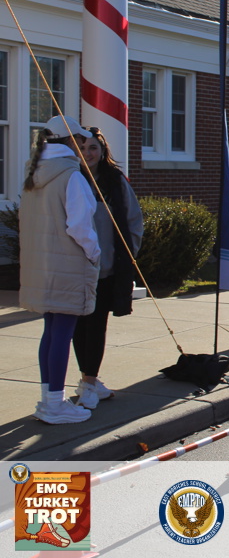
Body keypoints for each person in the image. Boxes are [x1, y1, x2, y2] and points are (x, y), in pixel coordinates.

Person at [21, 116, 100, 424]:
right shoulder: (71, 176)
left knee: (52, 331)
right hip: (68, 263)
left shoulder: (34, 172)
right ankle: (54, 404)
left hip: (43, 265)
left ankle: (50, 400)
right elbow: (80, 227)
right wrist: (94, 255)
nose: (83, 145)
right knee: (62, 333)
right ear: (70, 141)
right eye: (80, 140)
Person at [71, 127, 143, 409]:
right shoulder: (70, 178)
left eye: (93, 148)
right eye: (82, 147)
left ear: (103, 152)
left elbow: (133, 221)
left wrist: (126, 256)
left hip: (105, 269)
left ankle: (89, 381)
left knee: (96, 324)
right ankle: (88, 380)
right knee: (78, 326)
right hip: (74, 268)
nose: (87, 153)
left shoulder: (115, 182)